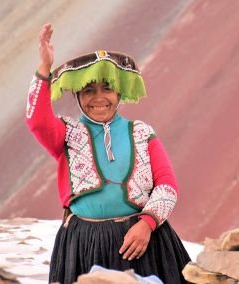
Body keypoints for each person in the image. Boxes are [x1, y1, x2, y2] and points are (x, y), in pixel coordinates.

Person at [25, 23, 191, 284]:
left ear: (118, 92)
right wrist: (45, 67)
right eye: (88, 90)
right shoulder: (67, 134)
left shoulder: (142, 133)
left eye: (106, 89)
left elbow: (167, 186)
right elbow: (36, 121)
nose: (98, 98)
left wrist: (146, 224)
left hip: (143, 242)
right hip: (84, 246)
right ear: (78, 96)